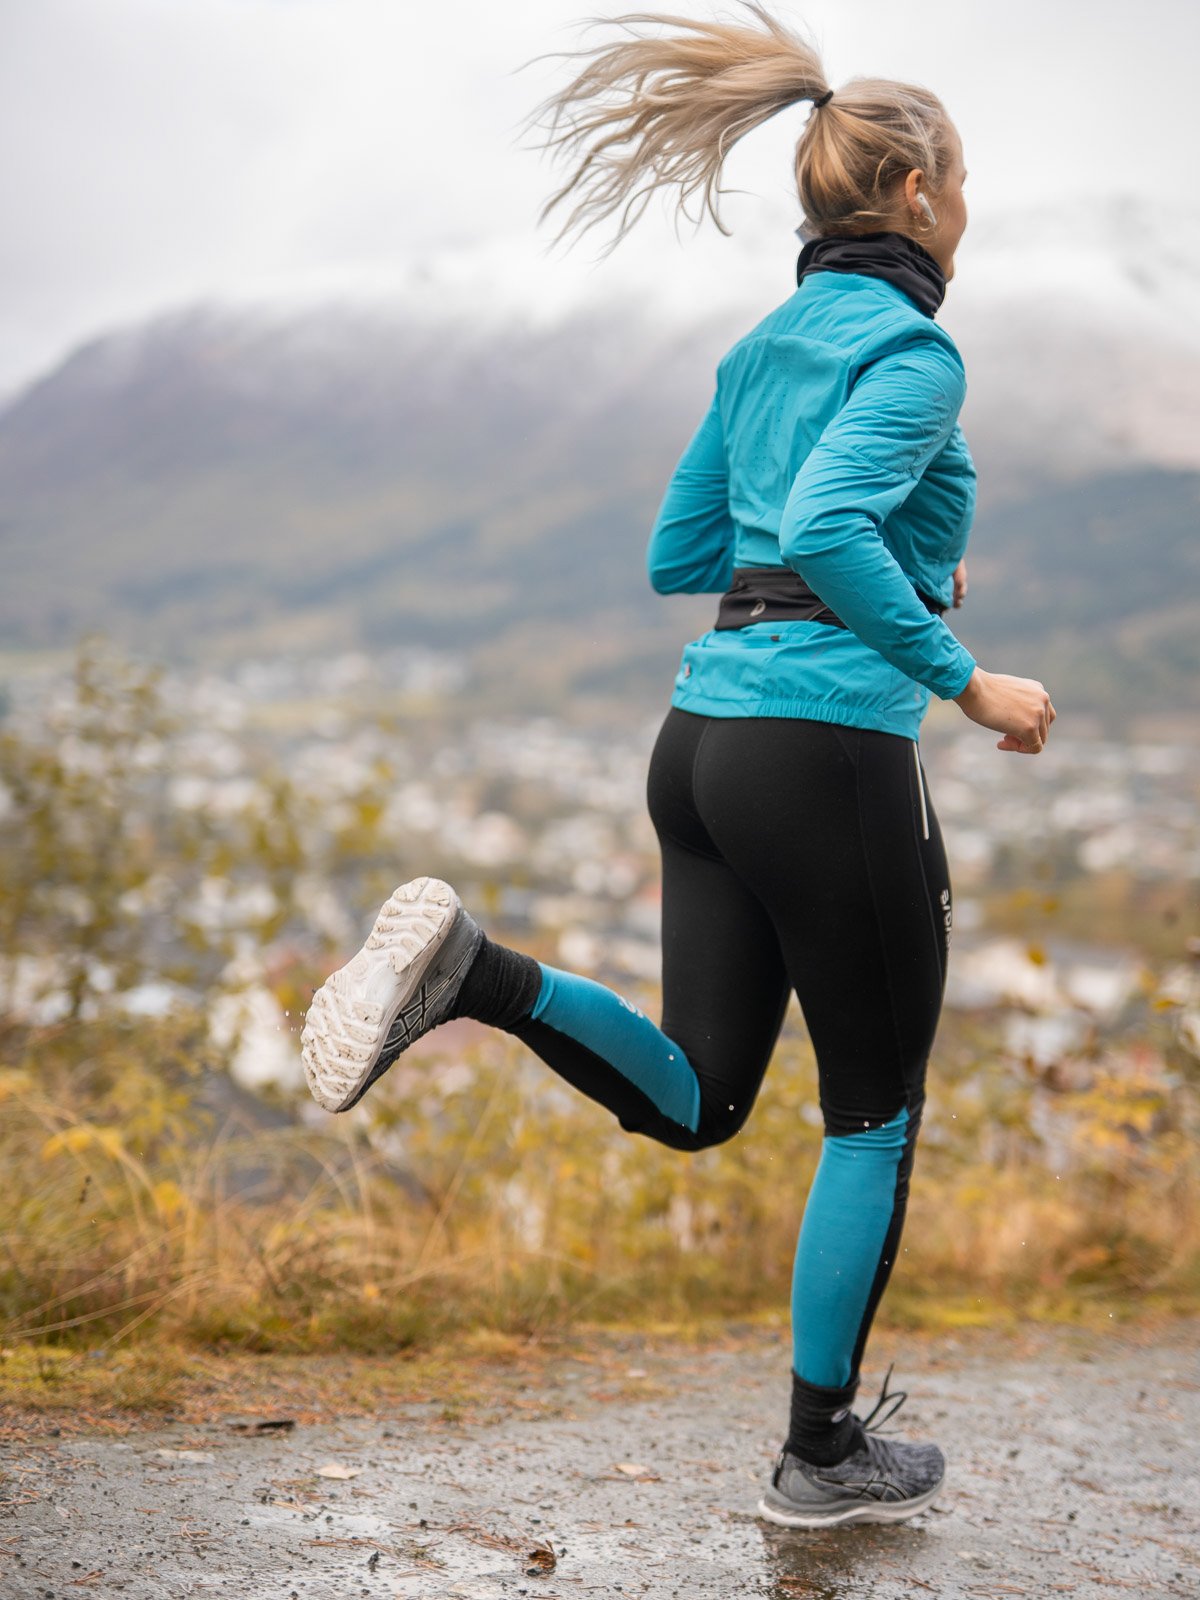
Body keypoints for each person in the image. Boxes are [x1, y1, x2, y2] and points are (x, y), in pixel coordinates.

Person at [300, 2, 1055, 1529]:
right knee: (874, 1112)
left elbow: (689, 552)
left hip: (700, 746)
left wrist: (898, 576)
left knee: (709, 1098)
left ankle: (479, 976)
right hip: (826, 759)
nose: (966, 213)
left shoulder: (758, 348)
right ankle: (821, 1455)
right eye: (961, 187)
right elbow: (834, 531)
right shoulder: (917, 353)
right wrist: (968, 681)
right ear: (915, 194)